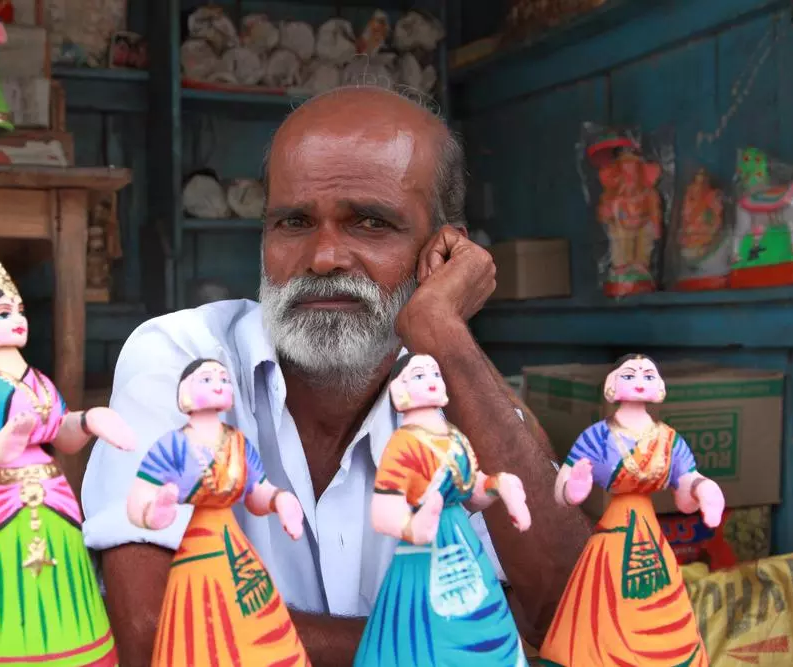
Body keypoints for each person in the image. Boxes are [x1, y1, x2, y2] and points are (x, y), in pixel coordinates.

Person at [80, 83, 591, 666]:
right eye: (294, 222)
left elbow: (575, 614)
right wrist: (434, 652)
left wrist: (444, 332)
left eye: (370, 223)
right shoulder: (184, 359)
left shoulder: (452, 390)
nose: (323, 257)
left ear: (443, 250)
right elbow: (158, 634)